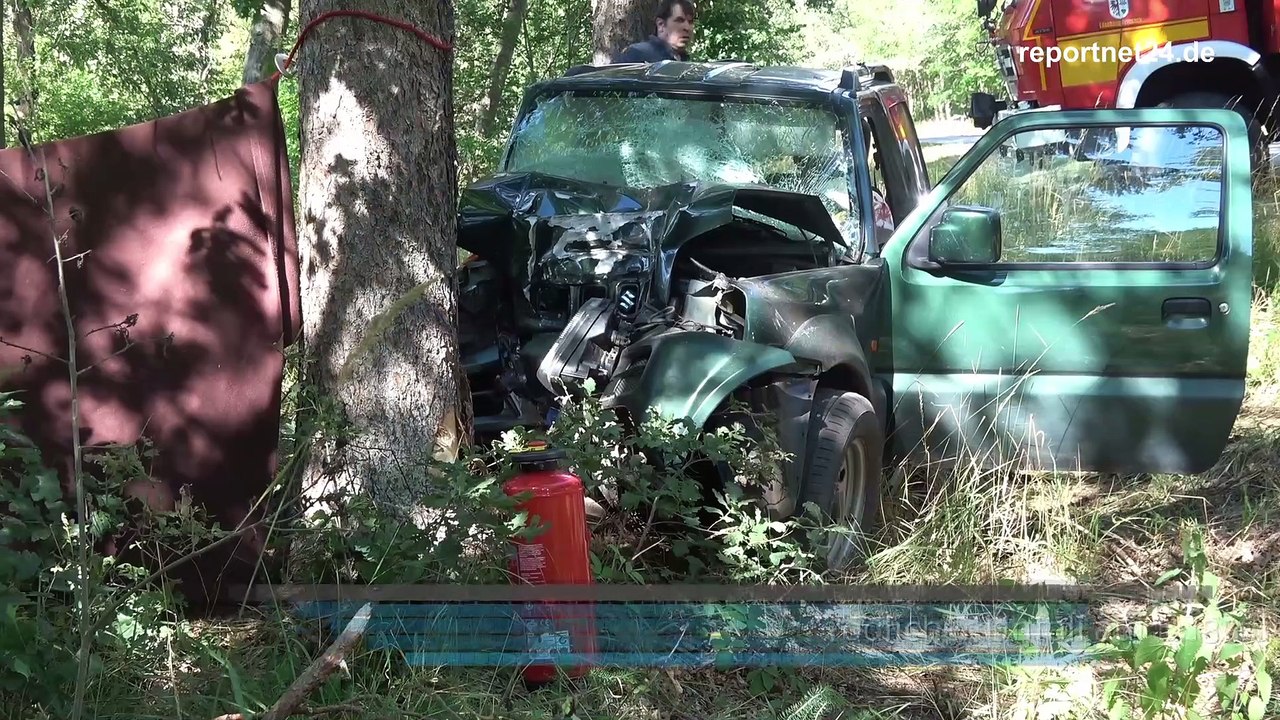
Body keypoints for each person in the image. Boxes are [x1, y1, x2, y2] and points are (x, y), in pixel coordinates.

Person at [613, 0, 696, 63]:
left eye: (690, 22)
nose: (687, 27)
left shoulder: (686, 62)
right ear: (661, 25)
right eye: (679, 20)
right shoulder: (637, 54)